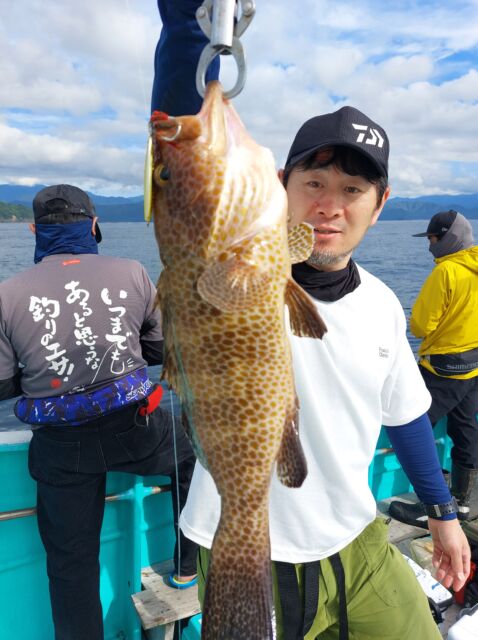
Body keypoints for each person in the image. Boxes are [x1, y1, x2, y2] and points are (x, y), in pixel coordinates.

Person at [153, 3, 470, 638]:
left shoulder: (381, 302)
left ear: (379, 205)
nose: (329, 206)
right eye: (315, 182)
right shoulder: (235, 266)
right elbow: (182, 163)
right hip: (249, 545)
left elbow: (406, 415)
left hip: (358, 541)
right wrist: (192, 21)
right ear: (280, 184)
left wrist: (442, 514)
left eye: (352, 191)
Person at [0, 184, 198, 640]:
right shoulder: (132, 272)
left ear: (34, 230)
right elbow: (161, 349)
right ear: (93, 225)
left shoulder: (7, 294)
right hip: (136, 428)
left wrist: (50, 377)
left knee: (70, 565)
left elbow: (3, 382)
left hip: (60, 448)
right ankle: (187, 566)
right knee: (191, 459)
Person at [389, 210, 478, 528]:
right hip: (473, 365)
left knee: (413, 428)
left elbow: (421, 326)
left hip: (443, 368)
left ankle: (435, 504)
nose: (429, 245)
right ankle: (463, 503)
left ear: (447, 238)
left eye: (432, 238)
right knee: (465, 429)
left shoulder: (445, 272)